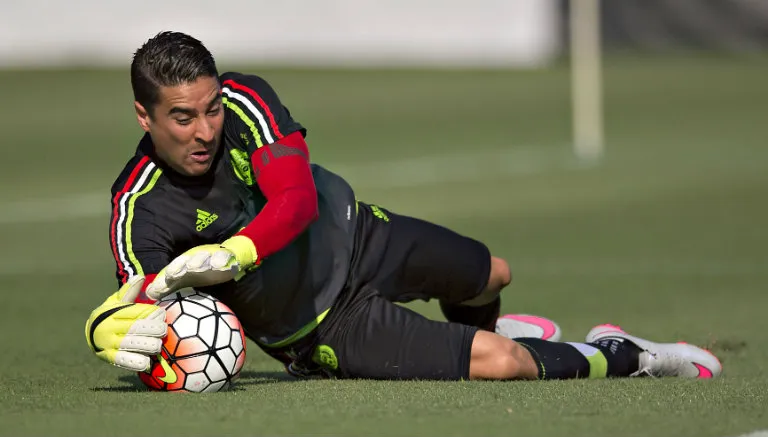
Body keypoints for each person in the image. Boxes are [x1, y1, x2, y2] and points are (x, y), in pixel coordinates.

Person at [85, 31, 722, 382]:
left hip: (355, 235)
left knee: (493, 272)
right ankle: (627, 354)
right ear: (144, 115)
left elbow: (298, 199)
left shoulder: (247, 100)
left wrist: (234, 253)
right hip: (322, 329)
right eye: (183, 117)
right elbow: (137, 308)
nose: (205, 130)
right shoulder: (136, 210)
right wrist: (106, 328)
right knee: (501, 364)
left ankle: (486, 322)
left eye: (211, 109)